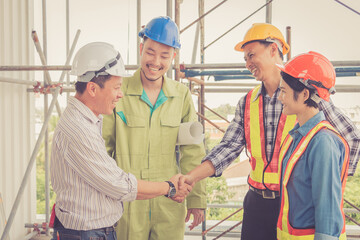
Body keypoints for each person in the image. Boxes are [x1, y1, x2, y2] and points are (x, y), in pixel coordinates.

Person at [178, 23, 360, 240]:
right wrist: (191, 177)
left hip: (292, 204)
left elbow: (351, 140)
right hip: (256, 205)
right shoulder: (248, 102)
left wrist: (321, 187)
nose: (248, 63)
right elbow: (227, 149)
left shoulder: (305, 95)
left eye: (251, 55)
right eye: (245, 58)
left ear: (274, 49)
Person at [50, 42, 192, 240]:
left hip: (93, 231)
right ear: (92, 88)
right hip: (87, 233)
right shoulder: (79, 129)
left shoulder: (89, 119)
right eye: (116, 87)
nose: (120, 94)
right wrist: (169, 187)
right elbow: (119, 185)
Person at [102, 16, 206, 240]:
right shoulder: (119, 91)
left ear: (173, 57)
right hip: (129, 202)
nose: (156, 61)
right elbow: (102, 149)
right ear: (141, 48)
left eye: (164, 55)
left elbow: (193, 152)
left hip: (170, 200)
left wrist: (197, 199)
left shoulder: (181, 95)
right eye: (150, 52)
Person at [276, 51, 349, 239]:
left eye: (283, 91)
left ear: (305, 94)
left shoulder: (322, 142)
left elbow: (327, 209)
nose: (280, 97)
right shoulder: (298, 135)